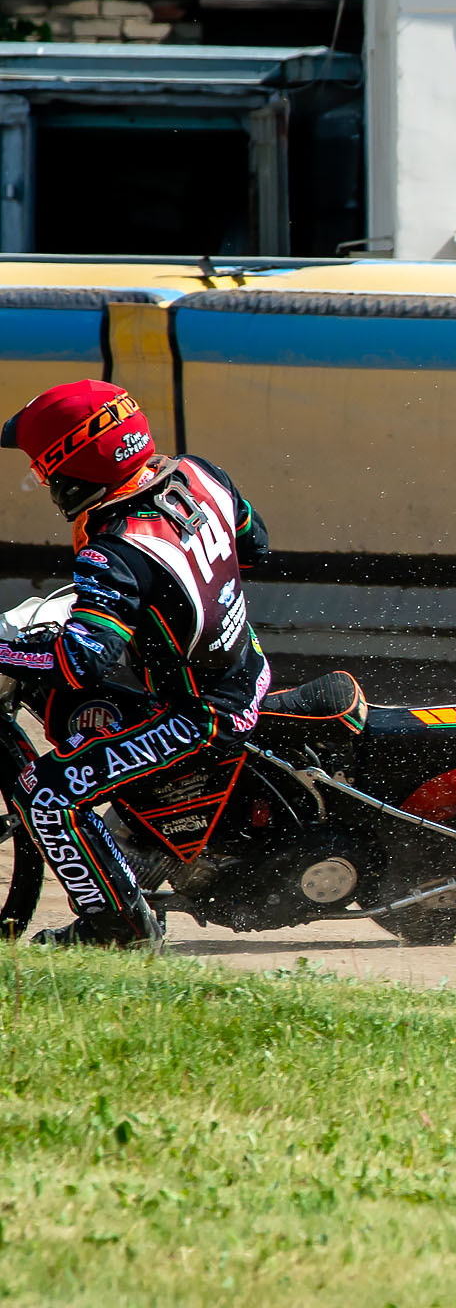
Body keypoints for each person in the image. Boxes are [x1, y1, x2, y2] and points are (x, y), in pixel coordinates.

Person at [0, 378, 271, 948]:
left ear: (74, 466)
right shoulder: (201, 473)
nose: (46, 485)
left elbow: (81, 662)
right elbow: (255, 543)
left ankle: (118, 933)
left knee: (48, 794)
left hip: (203, 714)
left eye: (46, 471)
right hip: (247, 668)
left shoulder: (116, 548)